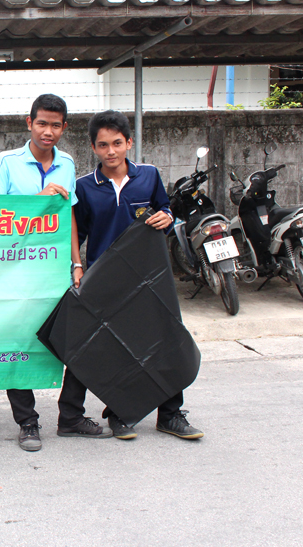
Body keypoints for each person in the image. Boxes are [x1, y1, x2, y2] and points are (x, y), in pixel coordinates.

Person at [0, 94, 111, 452]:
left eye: (55, 125)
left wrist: (76, 263)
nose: (48, 131)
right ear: (29, 123)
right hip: (13, 270)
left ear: (64, 127)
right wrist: (38, 201)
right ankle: (27, 422)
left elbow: (68, 216)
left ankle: (70, 416)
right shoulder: (6, 162)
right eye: (42, 123)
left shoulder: (66, 163)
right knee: (18, 344)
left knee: (78, 341)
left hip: (53, 271)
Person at [74, 109, 204, 441]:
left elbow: (165, 209)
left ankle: (170, 414)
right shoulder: (84, 187)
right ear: (93, 147)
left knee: (165, 341)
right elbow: (77, 233)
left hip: (150, 277)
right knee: (119, 349)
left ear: (129, 142)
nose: (111, 151)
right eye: (103, 145)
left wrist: (167, 216)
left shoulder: (149, 175)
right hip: (107, 280)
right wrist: (76, 268)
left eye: (117, 143)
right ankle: (119, 414)